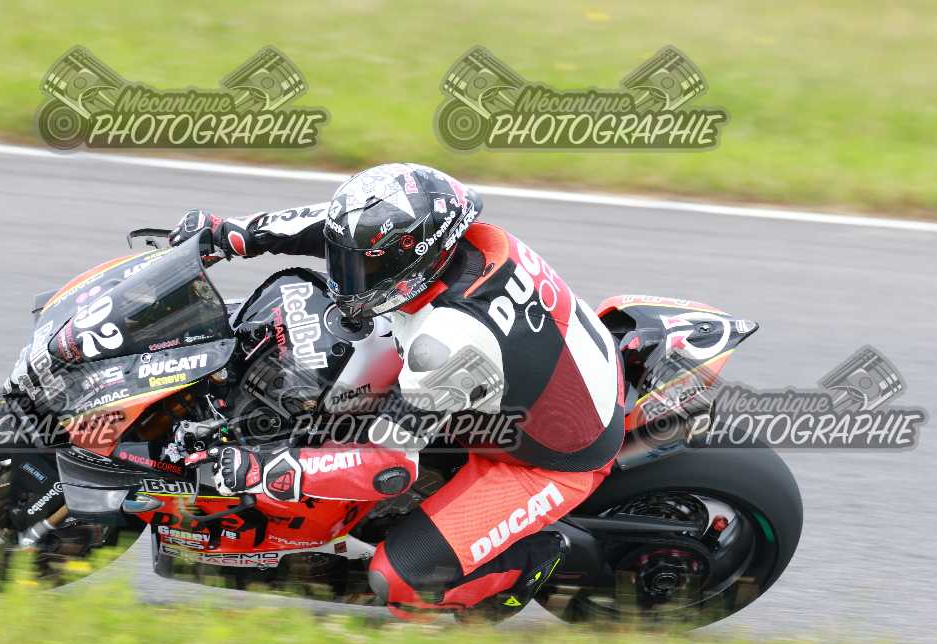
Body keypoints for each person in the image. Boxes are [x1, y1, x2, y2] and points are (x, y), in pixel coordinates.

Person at [169, 163, 624, 618]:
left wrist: (262, 470)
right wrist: (230, 234)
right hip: (536, 374)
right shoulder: (453, 241)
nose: (345, 276)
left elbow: (388, 467)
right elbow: (332, 227)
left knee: (399, 580)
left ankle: (531, 561)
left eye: (362, 268)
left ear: (413, 262)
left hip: (544, 459)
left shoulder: (445, 344)